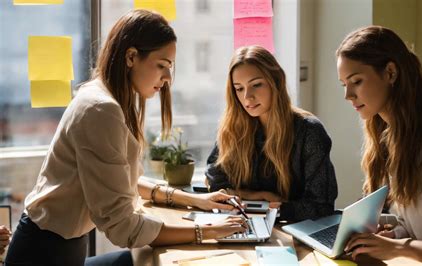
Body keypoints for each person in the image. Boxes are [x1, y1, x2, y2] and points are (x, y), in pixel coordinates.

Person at [5, 10, 246, 266]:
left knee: (135, 260)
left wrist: (197, 200)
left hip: (60, 248)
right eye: (161, 65)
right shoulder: (101, 109)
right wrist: (207, 232)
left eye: (170, 67)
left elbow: (120, 180)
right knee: (139, 260)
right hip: (42, 255)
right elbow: (122, 227)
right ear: (131, 57)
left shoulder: (108, 99)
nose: (167, 78)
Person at [335, 26, 422, 262]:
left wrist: (400, 248)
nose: (348, 95)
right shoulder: (392, 135)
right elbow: (421, 226)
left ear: (390, 72)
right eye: (343, 85)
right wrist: (392, 237)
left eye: (356, 81)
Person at [205, 45, 338, 222]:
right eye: (239, 88)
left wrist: (275, 209)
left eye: (256, 85)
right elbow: (215, 181)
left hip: (291, 231)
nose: (247, 97)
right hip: (241, 223)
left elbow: (322, 206)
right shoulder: (232, 127)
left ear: (276, 81)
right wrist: (257, 195)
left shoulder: (309, 131)